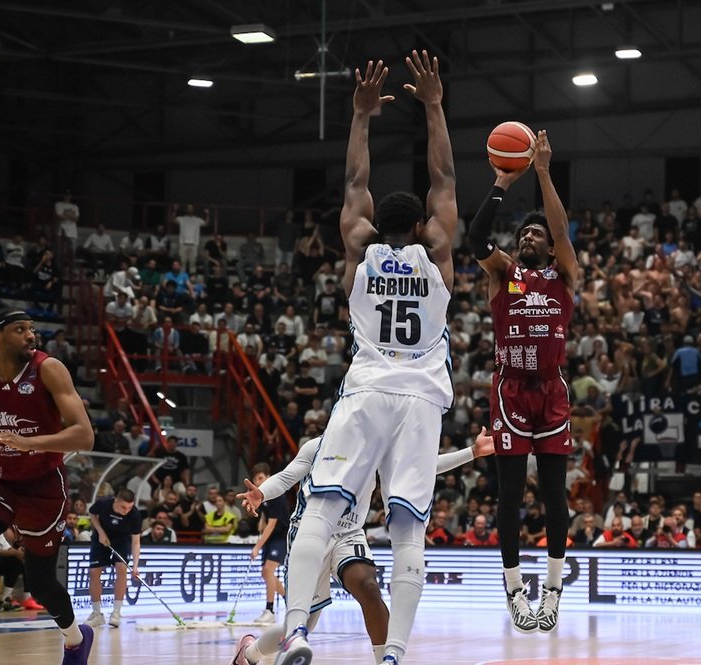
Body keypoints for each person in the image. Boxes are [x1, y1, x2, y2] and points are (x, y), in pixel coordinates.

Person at [269, 51, 457, 665]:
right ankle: (394, 653)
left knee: (322, 509)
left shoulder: (360, 249)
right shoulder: (440, 254)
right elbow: (445, 181)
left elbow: (354, 184)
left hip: (369, 387)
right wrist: (433, 105)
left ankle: (296, 631)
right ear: (426, 227)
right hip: (422, 397)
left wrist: (361, 116)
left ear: (378, 223)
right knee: (407, 531)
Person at [232, 430, 492, 665]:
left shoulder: (376, 449)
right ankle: (249, 653)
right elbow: (288, 476)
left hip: (349, 532)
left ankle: (385, 662)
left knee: (367, 585)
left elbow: (421, 467)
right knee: (300, 624)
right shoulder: (317, 447)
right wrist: (262, 493)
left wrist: (472, 452)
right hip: (311, 532)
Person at [465, 129, 578, 633]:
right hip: (510, 390)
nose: (529, 237)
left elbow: (559, 229)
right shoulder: (503, 274)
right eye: (523, 234)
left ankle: (553, 591)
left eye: (537, 235)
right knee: (510, 496)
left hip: (551, 391)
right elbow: (474, 239)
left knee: (556, 497)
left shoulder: (564, 274)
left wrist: (544, 173)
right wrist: (500, 184)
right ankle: (514, 590)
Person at [0, 307, 96, 665]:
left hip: (42, 486)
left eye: (32, 328)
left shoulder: (49, 369)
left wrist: (30, 442)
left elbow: (85, 435)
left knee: (41, 583)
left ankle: (76, 639)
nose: (31, 335)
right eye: (19, 329)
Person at [84, 489, 141, 628]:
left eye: (129, 507)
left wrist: (135, 566)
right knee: (94, 572)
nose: (126, 510)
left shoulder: (135, 515)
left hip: (122, 540)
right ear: (116, 500)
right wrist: (101, 532)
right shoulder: (103, 504)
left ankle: (116, 612)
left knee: (121, 568)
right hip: (101, 538)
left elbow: (136, 542)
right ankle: (97, 614)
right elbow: (92, 514)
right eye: (123, 507)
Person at [249, 462, 290, 625]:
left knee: (268, 570)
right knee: (266, 574)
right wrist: (261, 520)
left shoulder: (277, 494)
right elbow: (266, 518)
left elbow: (273, 524)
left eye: (260, 478)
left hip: (281, 536)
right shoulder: (262, 495)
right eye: (255, 478)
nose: (257, 481)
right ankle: (291, 603)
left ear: (268, 477)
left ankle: (270, 610)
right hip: (272, 538)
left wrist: (257, 546)